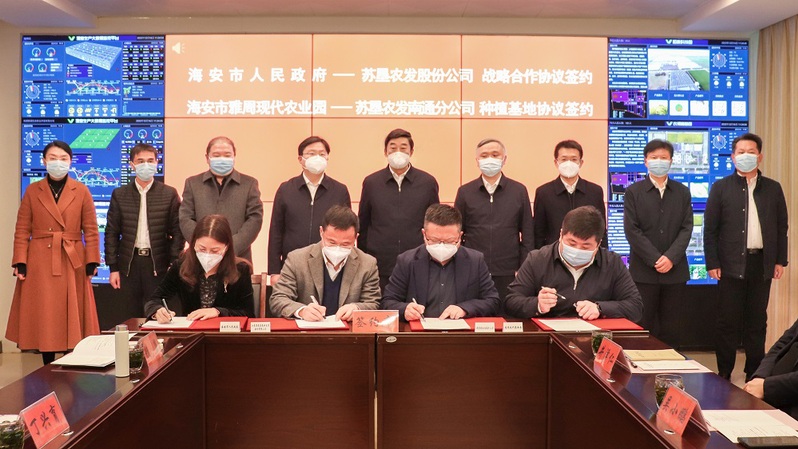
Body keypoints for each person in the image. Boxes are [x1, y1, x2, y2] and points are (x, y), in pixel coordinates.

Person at [6, 140, 101, 364]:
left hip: (71, 258)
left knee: (71, 311)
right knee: (46, 312)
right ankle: (47, 362)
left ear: (70, 162)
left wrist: (92, 261)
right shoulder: (32, 190)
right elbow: (22, 229)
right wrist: (20, 261)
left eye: (63, 158)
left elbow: (91, 229)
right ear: (44, 161)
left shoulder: (82, 190)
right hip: (40, 259)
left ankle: (70, 361)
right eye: (53, 158)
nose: (58, 163)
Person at [704, 132, 788, 381]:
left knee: (757, 322)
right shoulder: (720, 187)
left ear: (760, 157)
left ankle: (754, 373)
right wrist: (712, 262)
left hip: (761, 263)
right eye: (741, 152)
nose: (746, 156)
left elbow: (781, 226)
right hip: (729, 264)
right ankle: (724, 372)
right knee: (727, 322)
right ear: (732, 157)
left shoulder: (773, 188)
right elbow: (711, 229)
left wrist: (780, 260)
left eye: (751, 152)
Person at [505, 205, 642, 322]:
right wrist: (537, 304)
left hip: (595, 335)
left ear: (598, 244)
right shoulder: (538, 259)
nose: (577, 250)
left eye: (585, 246)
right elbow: (511, 301)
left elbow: (635, 307)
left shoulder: (612, 263)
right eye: (572, 243)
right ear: (561, 235)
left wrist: (600, 308)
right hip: (548, 336)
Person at [623, 139, 693, 346]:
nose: (659, 161)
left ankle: (671, 364)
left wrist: (670, 257)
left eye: (663, 157)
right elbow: (632, 230)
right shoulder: (633, 192)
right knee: (643, 324)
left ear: (671, 161)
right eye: (654, 157)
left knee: (672, 327)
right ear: (646, 161)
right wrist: (655, 258)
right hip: (643, 272)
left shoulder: (682, 192)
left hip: (675, 271)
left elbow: (686, 228)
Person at [381, 204, 499, 321]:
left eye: (449, 241)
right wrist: (405, 310)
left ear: (460, 236)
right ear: (424, 234)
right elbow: (388, 302)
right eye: (434, 240)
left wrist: (465, 309)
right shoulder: (407, 261)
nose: (441, 246)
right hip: (420, 330)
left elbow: (492, 301)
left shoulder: (475, 261)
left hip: (460, 330)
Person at [105, 143, 183, 320]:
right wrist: (113, 268)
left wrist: (173, 261)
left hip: (158, 265)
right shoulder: (120, 194)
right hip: (129, 265)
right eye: (140, 161)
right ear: (132, 165)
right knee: (130, 315)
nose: (146, 165)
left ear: (157, 163)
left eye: (150, 160)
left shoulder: (169, 193)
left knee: (159, 314)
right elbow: (111, 233)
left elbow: (178, 231)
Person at [454, 138, 534, 305]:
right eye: (484, 156)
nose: (489, 159)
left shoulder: (518, 190)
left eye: (495, 154)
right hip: (473, 268)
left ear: (504, 159)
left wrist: (524, 267)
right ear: (477, 160)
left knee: (508, 313)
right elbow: (457, 232)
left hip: (509, 269)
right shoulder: (465, 192)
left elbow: (527, 232)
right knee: (475, 311)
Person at [358, 128, 440, 290]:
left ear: (411, 151)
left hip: (418, 260)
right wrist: (364, 257)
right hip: (380, 262)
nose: (398, 152)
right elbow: (364, 223)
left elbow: (435, 223)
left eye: (403, 148)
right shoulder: (372, 182)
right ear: (385, 152)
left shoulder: (427, 182)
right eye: (393, 148)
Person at [269, 206, 380, 321]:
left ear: (356, 237)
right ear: (321, 232)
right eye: (332, 242)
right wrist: (302, 311)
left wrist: (357, 308)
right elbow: (278, 299)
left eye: (345, 244)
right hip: (307, 330)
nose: (337, 249)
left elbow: (373, 303)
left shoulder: (368, 264)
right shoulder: (297, 259)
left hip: (347, 330)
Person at [267, 136, 351, 287]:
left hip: (329, 266)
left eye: (322, 154)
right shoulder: (286, 189)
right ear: (301, 159)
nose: (317, 158)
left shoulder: (340, 190)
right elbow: (276, 231)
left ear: (327, 158)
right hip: (292, 266)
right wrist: (274, 271)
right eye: (311, 154)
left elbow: (347, 231)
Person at [145, 214, 254, 322]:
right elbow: (154, 300)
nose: (207, 255)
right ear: (194, 244)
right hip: (191, 330)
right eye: (202, 249)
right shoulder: (181, 266)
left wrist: (218, 312)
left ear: (226, 247)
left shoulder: (240, 270)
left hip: (223, 331)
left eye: (215, 251)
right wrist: (157, 311)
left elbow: (248, 313)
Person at [179, 136, 263, 262]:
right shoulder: (193, 183)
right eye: (216, 155)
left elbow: (255, 219)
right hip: (200, 257)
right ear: (207, 158)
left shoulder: (249, 183)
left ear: (234, 156)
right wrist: (203, 247)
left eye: (227, 155)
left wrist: (230, 248)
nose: (222, 159)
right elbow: (185, 218)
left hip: (237, 257)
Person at [533, 139, 606, 249]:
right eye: (564, 159)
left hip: (587, 253)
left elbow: (601, 230)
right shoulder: (544, 193)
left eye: (573, 159)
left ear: (581, 163)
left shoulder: (595, 191)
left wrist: (602, 255)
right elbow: (538, 232)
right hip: (554, 254)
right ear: (556, 162)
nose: (569, 163)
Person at [744, 319, 798, 420]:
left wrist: (766, 387)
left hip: (790, 406)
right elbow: (781, 345)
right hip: (773, 394)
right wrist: (760, 377)